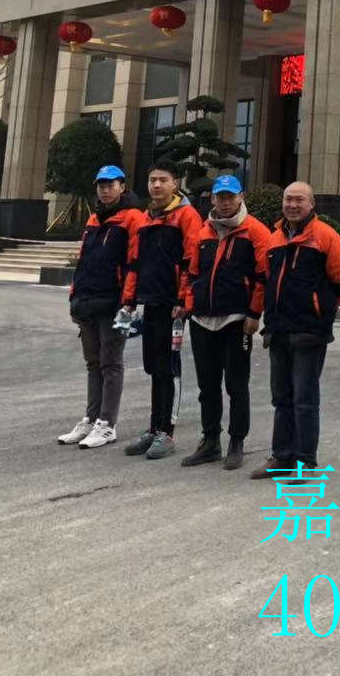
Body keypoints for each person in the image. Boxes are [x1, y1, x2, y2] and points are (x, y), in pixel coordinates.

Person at [251, 181, 340, 479]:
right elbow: (267, 279)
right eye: (288, 199)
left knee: (305, 399)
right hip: (278, 329)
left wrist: (318, 310)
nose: (293, 205)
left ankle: (306, 461)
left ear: (311, 204)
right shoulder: (275, 238)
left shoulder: (326, 237)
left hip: (309, 332)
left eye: (299, 200)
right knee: (281, 398)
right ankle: (281, 456)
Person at [180, 174, 271, 471]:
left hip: (236, 321)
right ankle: (210, 441)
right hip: (202, 319)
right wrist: (189, 305)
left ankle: (236, 441)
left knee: (236, 385)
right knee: (207, 386)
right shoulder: (203, 231)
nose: (226, 202)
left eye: (231, 196)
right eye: (221, 196)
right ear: (213, 199)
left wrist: (254, 314)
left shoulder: (255, 231)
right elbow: (192, 273)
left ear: (241, 196)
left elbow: (263, 277)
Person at [119, 160, 203, 460]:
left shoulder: (187, 216)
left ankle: (167, 432)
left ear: (175, 183)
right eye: (152, 179)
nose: (156, 185)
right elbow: (135, 261)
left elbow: (192, 260)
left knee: (170, 368)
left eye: (163, 180)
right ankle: (154, 428)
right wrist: (129, 299)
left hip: (173, 308)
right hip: (151, 302)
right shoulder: (146, 217)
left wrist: (183, 301)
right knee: (154, 367)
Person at [58, 164, 144, 450]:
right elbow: (84, 260)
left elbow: (134, 263)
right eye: (101, 185)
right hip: (87, 302)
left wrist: (128, 302)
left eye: (110, 184)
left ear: (122, 187)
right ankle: (91, 418)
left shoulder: (133, 218)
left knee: (111, 363)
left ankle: (107, 424)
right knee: (93, 363)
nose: (105, 189)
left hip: (113, 304)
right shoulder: (94, 219)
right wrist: (75, 296)